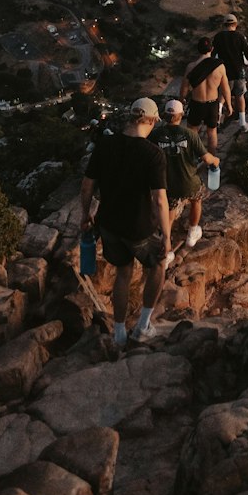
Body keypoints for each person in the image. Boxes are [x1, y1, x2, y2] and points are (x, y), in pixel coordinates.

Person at [79, 96, 171, 348]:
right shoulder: (153, 154)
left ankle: (119, 333)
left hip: (108, 224)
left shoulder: (105, 144)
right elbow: (160, 200)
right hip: (138, 228)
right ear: (150, 121)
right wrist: (167, 235)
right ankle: (143, 326)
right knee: (158, 265)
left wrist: (85, 215)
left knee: (123, 272)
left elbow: (87, 186)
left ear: (132, 116)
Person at [151, 98, 218, 249]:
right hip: (189, 182)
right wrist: (216, 160)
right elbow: (206, 158)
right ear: (181, 115)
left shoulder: (155, 135)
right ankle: (192, 232)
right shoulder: (190, 134)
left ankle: (166, 248)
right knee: (197, 200)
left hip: (168, 184)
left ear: (164, 115)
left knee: (170, 212)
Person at [180, 37, 233, 152]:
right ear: (212, 49)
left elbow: (184, 88)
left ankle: (192, 156)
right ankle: (212, 164)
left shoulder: (191, 67)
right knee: (212, 132)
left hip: (196, 103)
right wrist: (229, 105)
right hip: (212, 104)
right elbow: (225, 88)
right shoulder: (220, 66)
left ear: (198, 50)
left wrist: (181, 101)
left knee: (192, 133)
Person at [211, 14, 248, 131]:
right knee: (240, 95)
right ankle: (242, 122)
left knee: (222, 94)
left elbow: (213, 55)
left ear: (224, 25)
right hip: (239, 71)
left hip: (224, 71)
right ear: (235, 25)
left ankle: (217, 117)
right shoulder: (240, 36)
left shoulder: (218, 37)